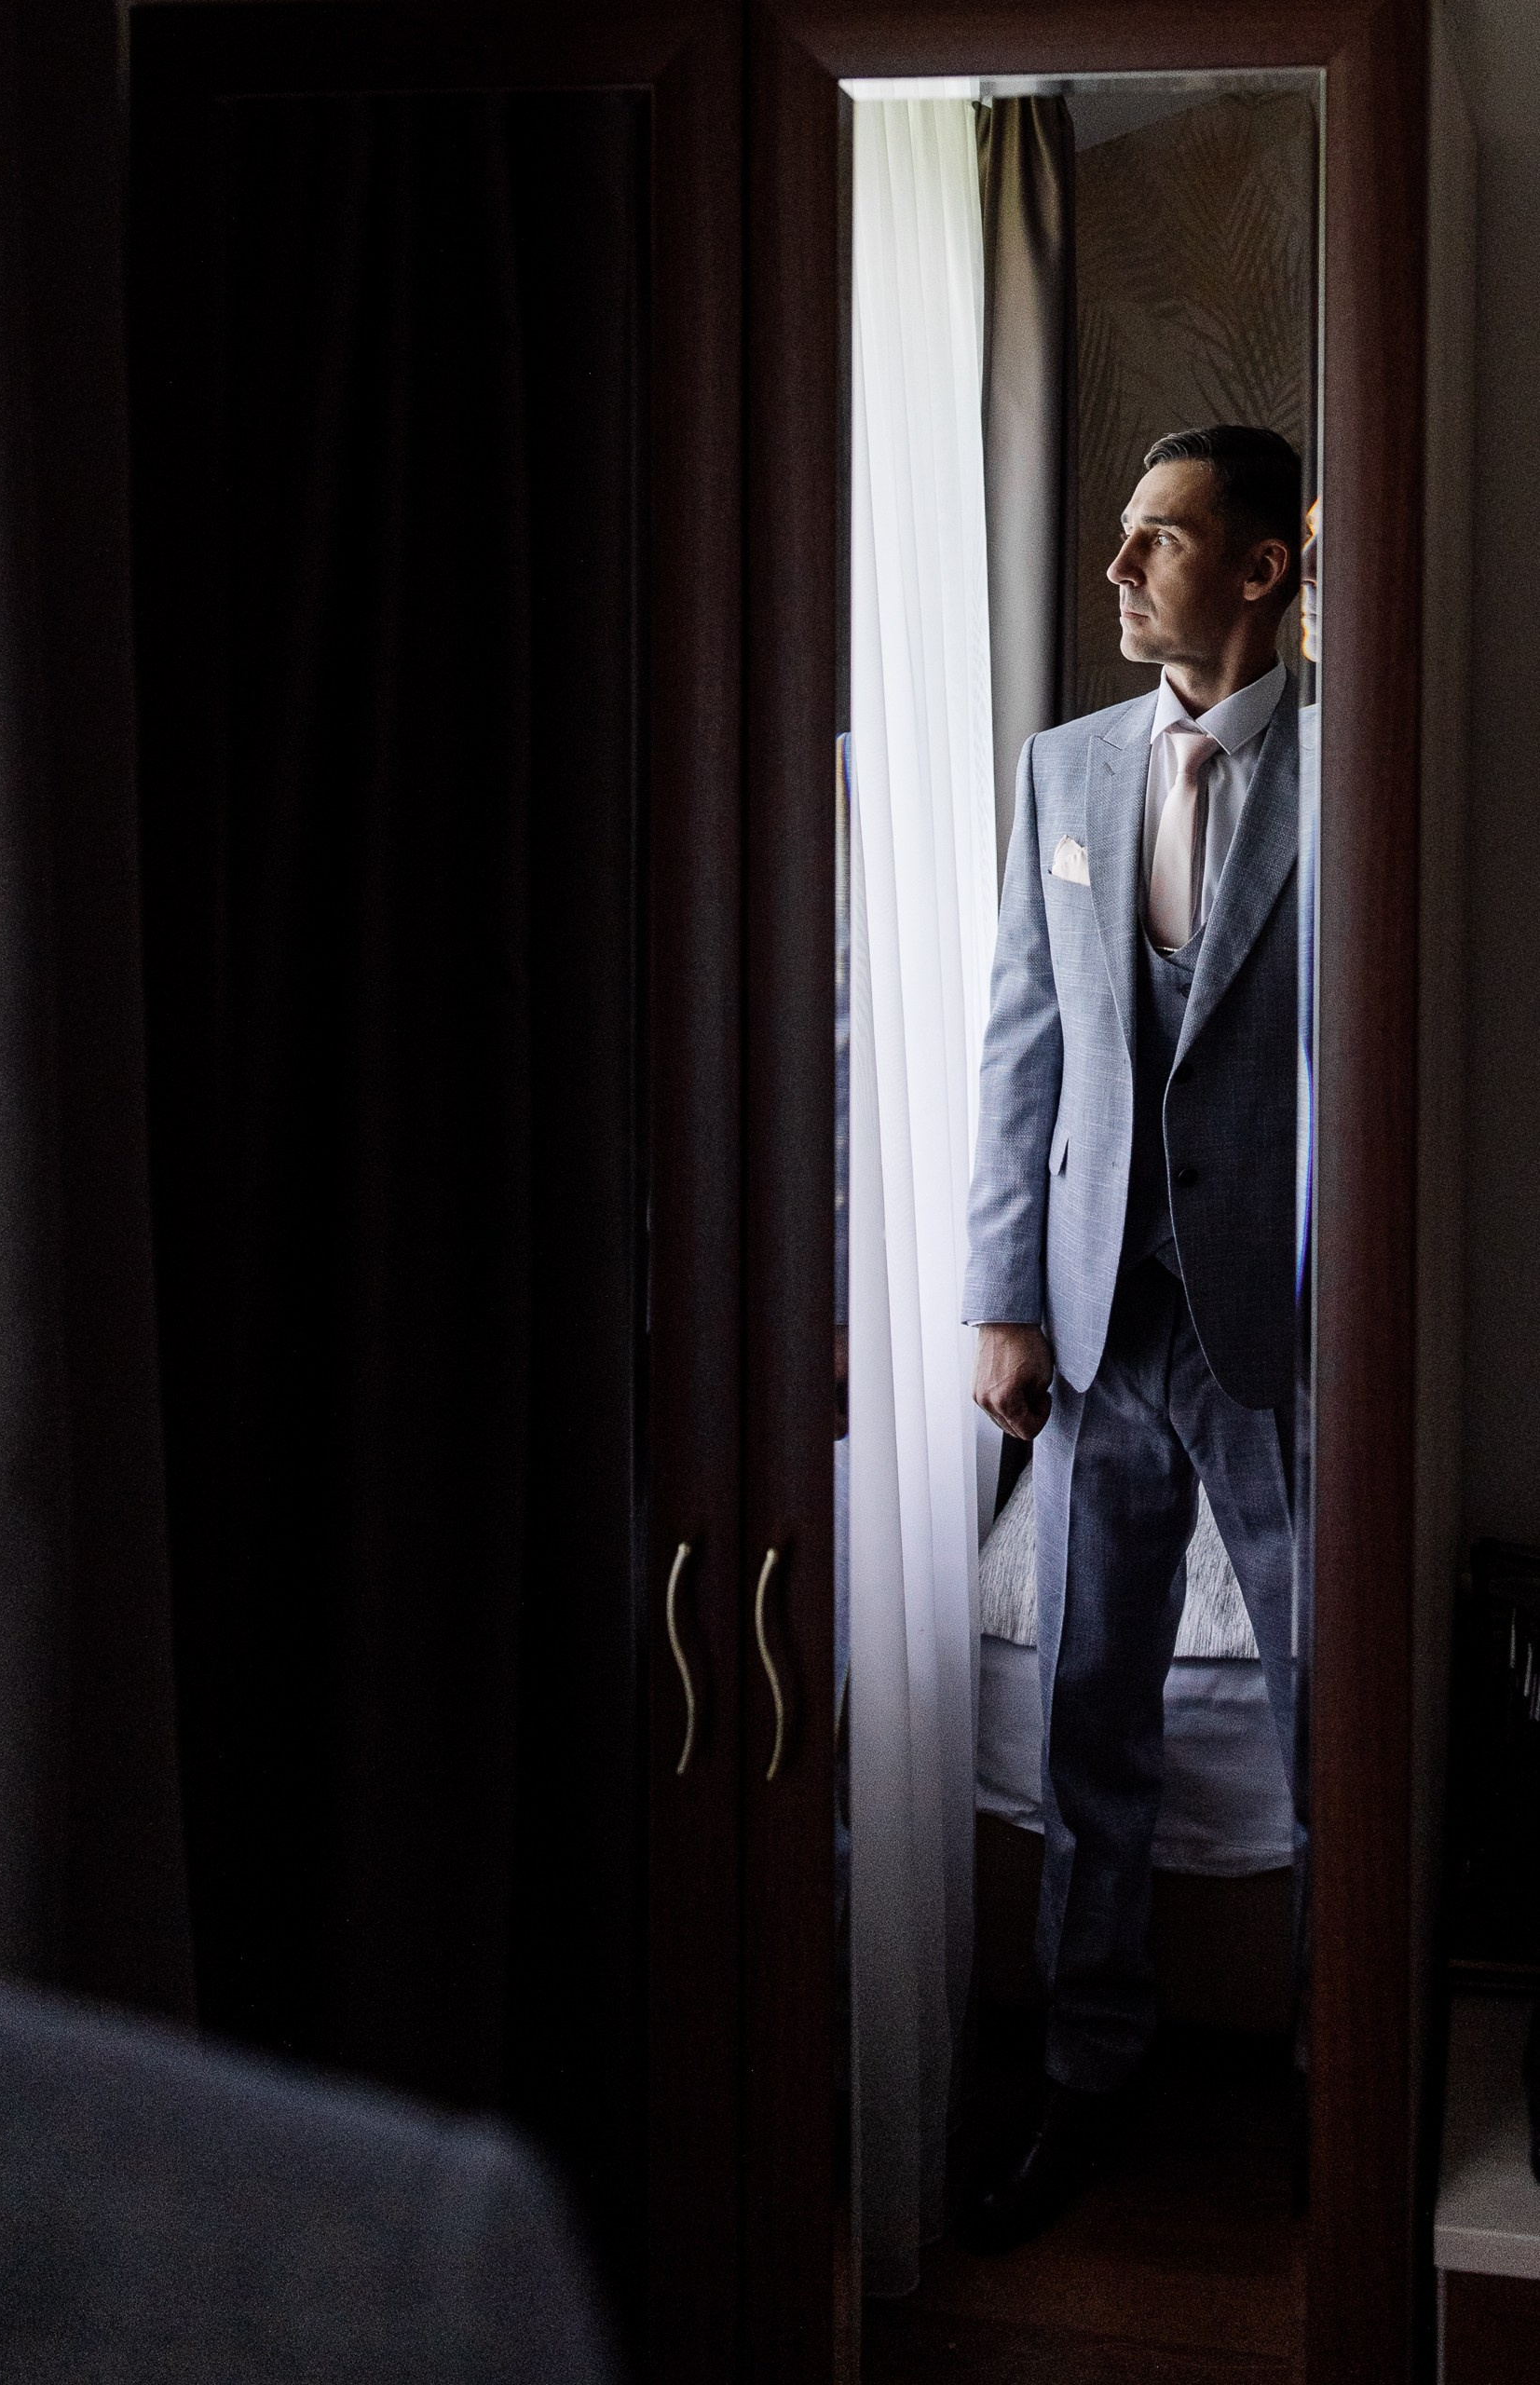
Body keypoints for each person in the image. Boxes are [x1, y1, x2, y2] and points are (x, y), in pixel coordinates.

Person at [958, 424, 1303, 2250]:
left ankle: (1334, 2070)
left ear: (1259, 566)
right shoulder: (1065, 767)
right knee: (1087, 1704)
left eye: (1155, 539)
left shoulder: (1343, 765)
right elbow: (1023, 1037)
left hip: (1279, 1331)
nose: (1115, 570)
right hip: (1097, 1318)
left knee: (1329, 1713)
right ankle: (1085, 2073)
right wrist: (999, 1292)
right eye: (1115, 537)